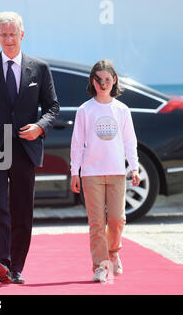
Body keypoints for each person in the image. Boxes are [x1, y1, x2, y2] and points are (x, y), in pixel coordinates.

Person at [0, 12, 60, 284]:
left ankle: (16, 266)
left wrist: (40, 127)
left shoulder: (39, 68)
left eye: (12, 34)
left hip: (24, 147)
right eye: (3, 34)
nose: (8, 39)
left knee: (21, 208)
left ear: (22, 35)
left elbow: (52, 106)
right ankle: (1, 261)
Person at [70, 59, 141, 282]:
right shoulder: (85, 110)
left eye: (107, 80)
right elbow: (77, 142)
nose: (103, 84)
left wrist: (135, 167)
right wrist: (75, 171)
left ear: (114, 81)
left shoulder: (122, 110)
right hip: (91, 173)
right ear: (93, 81)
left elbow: (130, 141)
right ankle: (100, 266)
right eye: (99, 80)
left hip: (118, 172)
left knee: (118, 219)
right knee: (97, 222)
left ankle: (113, 252)